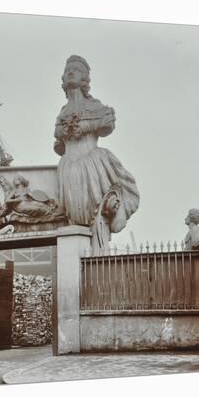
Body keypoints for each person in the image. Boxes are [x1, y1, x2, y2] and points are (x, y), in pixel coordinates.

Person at [54, 55, 140, 254]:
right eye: (67, 69)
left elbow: (106, 125)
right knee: (74, 220)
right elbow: (59, 143)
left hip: (92, 164)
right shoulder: (62, 112)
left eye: (75, 69)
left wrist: (85, 126)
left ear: (84, 78)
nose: (70, 72)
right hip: (68, 168)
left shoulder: (95, 107)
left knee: (98, 217)